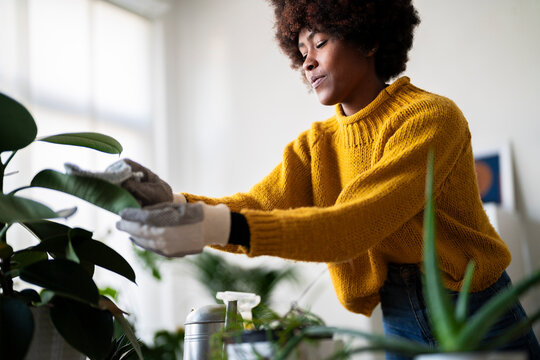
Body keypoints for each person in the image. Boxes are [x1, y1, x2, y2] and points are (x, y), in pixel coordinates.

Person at [113, 1, 540, 359]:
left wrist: (209, 226)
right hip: (397, 314)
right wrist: (173, 201)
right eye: (301, 51)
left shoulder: (431, 118)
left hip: (474, 310)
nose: (308, 61)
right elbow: (256, 204)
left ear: (369, 39)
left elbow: (353, 224)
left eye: (320, 42)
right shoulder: (316, 145)